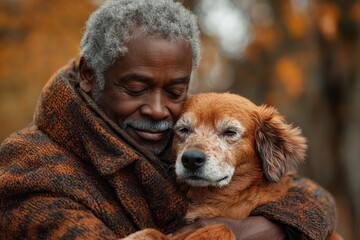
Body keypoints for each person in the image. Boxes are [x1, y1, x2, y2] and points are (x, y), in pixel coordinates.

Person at [0, 0, 337, 239]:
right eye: (135, 88)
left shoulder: (159, 138)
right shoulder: (27, 169)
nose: (159, 110)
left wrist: (250, 229)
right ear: (90, 75)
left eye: (175, 90)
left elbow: (311, 196)